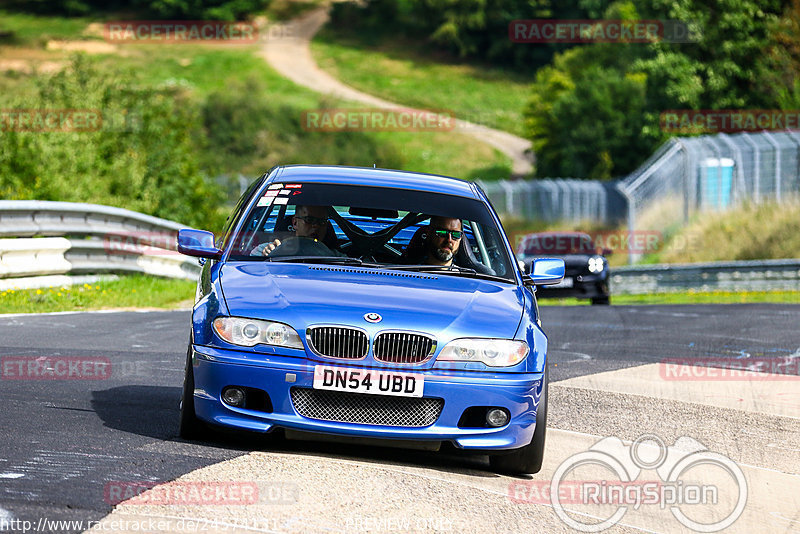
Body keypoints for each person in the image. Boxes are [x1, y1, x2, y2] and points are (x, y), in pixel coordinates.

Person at [252, 205, 340, 256]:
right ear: (295, 223)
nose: (316, 226)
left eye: (322, 222)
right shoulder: (268, 250)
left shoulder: (338, 259)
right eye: (309, 220)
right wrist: (266, 257)